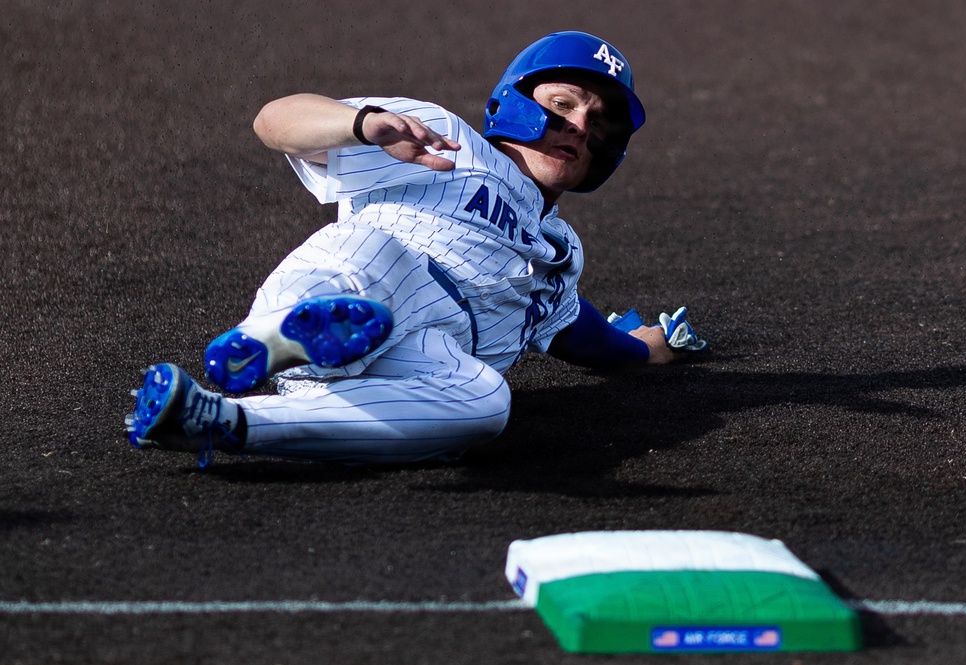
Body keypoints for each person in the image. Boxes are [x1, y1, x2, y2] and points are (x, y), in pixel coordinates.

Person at [124, 30, 708, 468]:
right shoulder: (441, 137)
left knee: (488, 402)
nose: (581, 126)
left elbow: (574, 328)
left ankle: (215, 420)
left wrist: (643, 351)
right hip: (359, 280)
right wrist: (362, 124)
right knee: (372, 253)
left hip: (420, 362)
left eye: (600, 123)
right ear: (515, 102)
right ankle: (271, 341)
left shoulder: (557, 251)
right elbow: (274, 120)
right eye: (564, 104)